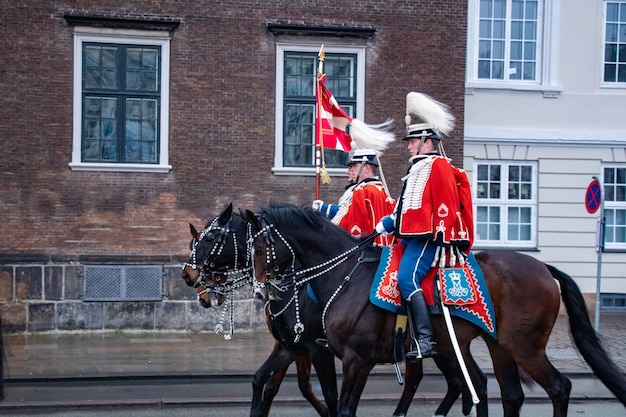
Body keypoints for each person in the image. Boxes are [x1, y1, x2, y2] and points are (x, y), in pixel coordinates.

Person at [375, 92, 474, 359]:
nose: (408, 146)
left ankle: (427, 340)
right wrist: (385, 224)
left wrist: (438, 233)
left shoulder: (438, 165)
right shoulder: (417, 168)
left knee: (407, 278)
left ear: (426, 142)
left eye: (412, 142)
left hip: (426, 239)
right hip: (409, 236)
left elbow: (444, 206)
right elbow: (404, 208)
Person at [312, 148, 396, 247]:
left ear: (366, 168)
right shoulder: (380, 189)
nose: (351, 170)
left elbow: (352, 222)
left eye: (355, 166)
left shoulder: (362, 191)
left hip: (366, 248)